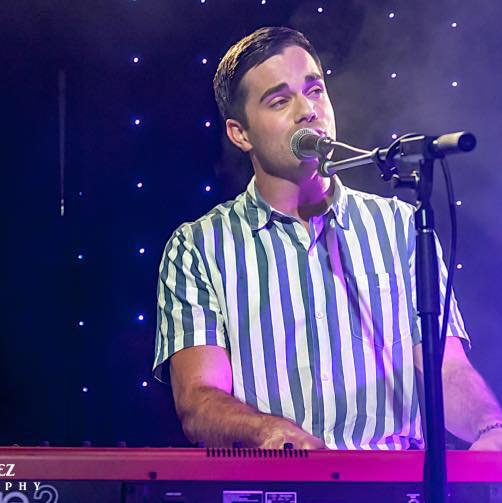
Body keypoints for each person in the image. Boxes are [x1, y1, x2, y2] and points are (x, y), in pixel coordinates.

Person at [153, 26, 502, 450]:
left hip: (392, 480)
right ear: (239, 133)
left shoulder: (400, 225)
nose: (307, 110)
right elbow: (199, 399)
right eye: (280, 101)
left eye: (315, 90)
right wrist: (270, 433)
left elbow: (445, 368)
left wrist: (490, 428)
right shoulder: (198, 247)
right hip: (277, 479)